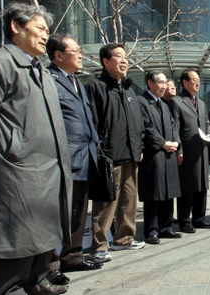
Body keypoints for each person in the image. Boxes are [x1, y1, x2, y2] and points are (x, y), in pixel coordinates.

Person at [0, 3, 72, 295]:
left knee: (42, 241)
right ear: (16, 27)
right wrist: (9, 149)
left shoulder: (43, 71)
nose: (46, 35)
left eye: (48, 31)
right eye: (40, 28)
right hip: (17, 171)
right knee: (17, 242)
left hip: (48, 169)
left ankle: (38, 281)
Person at [46, 33, 102, 287]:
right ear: (58, 55)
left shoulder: (77, 82)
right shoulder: (49, 79)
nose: (81, 55)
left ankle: (73, 255)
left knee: (80, 209)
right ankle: (50, 264)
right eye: (75, 50)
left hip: (85, 156)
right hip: (63, 159)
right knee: (58, 214)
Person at [86, 43, 145, 263]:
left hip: (131, 154)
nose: (124, 61)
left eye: (125, 57)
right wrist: (101, 151)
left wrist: (138, 148)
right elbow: (93, 122)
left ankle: (124, 239)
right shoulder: (96, 87)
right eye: (118, 56)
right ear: (105, 61)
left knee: (129, 199)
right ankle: (99, 245)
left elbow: (137, 123)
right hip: (110, 156)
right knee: (106, 202)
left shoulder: (129, 90)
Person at [138, 71, 182, 244]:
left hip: (168, 154)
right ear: (150, 83)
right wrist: (163, 143)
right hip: (154, 154)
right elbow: (146, 127)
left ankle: (166, 227)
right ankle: (151, 231)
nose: (164, 86)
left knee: (168, 192)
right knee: (154, 193)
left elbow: (174, 126)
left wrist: (176, 143)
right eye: (161, 82)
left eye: (166, 83)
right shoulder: (142, 102)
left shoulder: (164, 104)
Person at [169, 69, 210, 233]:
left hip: (202, 149)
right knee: (187, 187)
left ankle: (199, 218)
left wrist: (209, 132)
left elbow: (207, 122)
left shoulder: (201, 103)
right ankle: (184, 220)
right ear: (184, 82)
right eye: (193, 79)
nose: (197, 82)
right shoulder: (176, 101)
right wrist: (178, 148)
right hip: (187, 151)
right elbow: (175, 127)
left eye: (198, 79)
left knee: (202, 185)